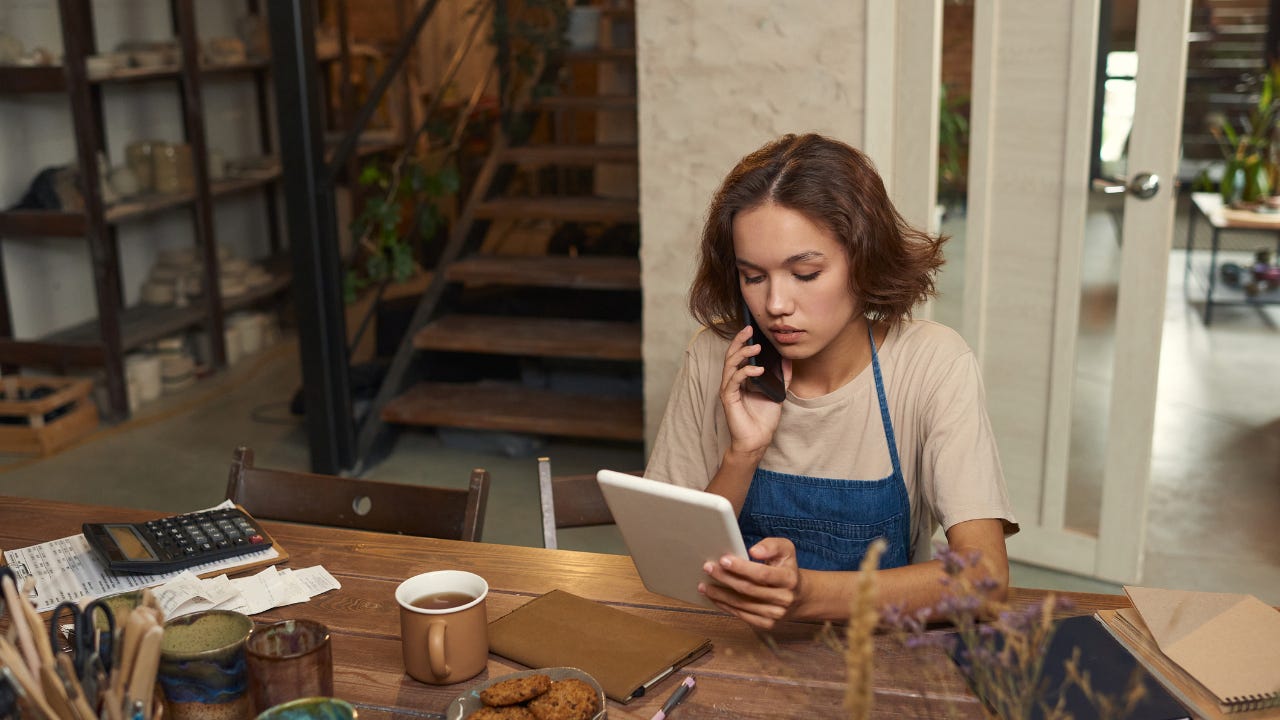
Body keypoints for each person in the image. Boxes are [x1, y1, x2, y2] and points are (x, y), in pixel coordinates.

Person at [645, 133, 1018, 630]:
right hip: (734, 649)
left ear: (863, 260)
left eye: (805, 273)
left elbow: (984, 580)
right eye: (754, 277)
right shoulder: (713, 355)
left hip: (880, 659)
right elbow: (670, 562)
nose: (776, 304)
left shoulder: (931, 363)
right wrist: (744, 452)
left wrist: (810, 594)